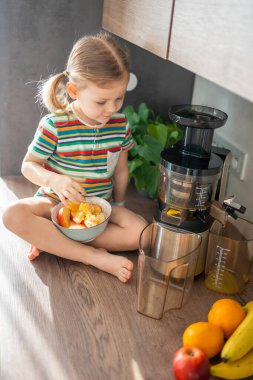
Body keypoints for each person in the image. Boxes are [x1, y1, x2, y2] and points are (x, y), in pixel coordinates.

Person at [3, 32, 147, 283]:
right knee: (12, 215)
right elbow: (29, 166)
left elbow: (122, 171)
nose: (112, 108)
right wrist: (55, 182)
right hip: (54, 205)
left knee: (143, 234)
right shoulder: (55, 125)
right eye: (102, 101)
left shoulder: (120, 124)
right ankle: (93, 256)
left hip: (100, 207)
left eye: (119, 98)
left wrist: (119, 207)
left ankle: (53, 241)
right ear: (73, 90)